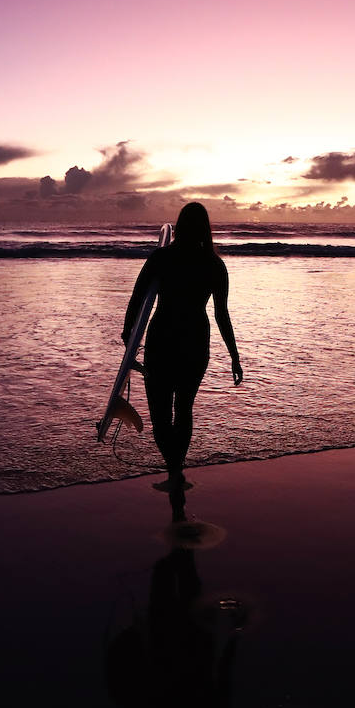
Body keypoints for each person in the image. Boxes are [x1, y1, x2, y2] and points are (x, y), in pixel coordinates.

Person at [122, 202, 242, 519]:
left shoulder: (163, 257)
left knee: (161, 415)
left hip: (162, 341)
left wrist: (127, 336)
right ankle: (177, 470)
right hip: (195, 342)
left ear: (180, 225)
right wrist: (234, 354)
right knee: (183, 409)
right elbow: (221, 315)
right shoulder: (214, 265)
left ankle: (174, 470)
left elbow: (137, 296)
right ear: (205, 228)